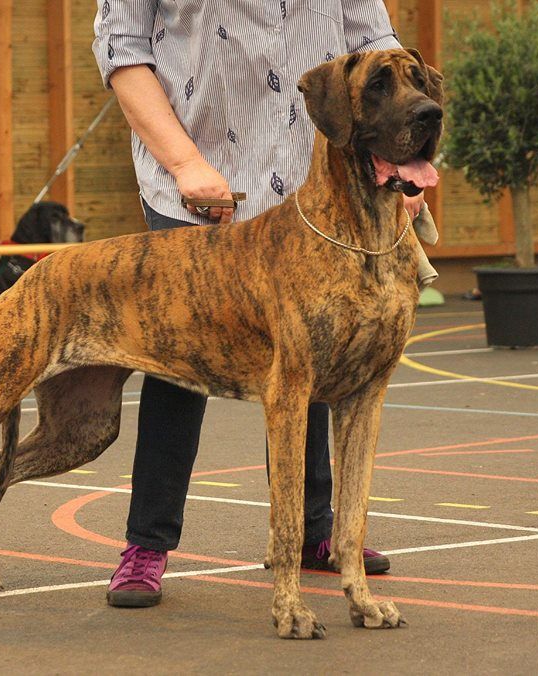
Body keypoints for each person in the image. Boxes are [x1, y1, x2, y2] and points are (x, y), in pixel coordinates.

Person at [94, 1, 428, 608]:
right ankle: (147, 544)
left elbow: (377, 40)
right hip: (200, 180)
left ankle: (314, 531)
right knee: (178, 372)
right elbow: (122, 51)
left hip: (319, 181)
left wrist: (400, 165)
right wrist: (186, 162)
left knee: (322, 357)